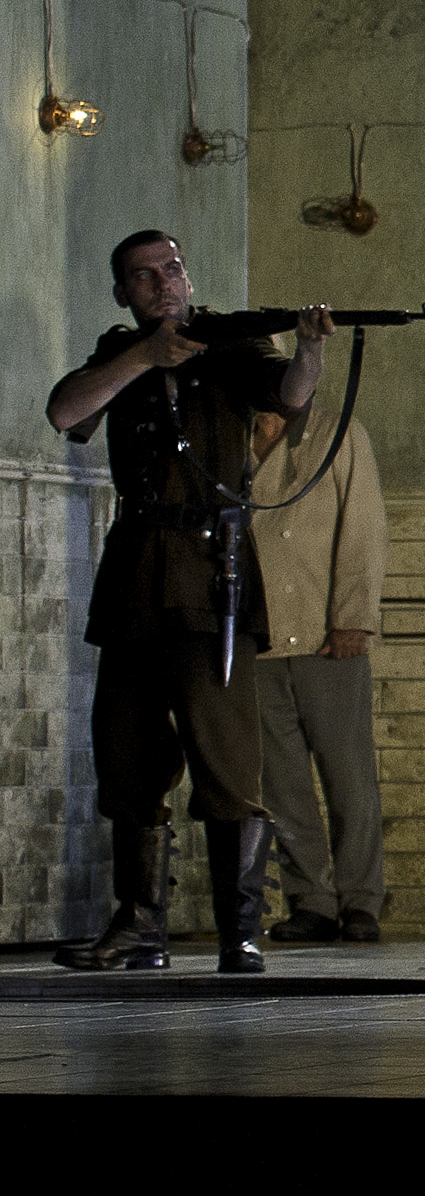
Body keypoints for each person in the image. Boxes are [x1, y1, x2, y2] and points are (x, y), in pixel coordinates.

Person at [44, 233, 330, 974]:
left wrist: (309, 350)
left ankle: (240, 930)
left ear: (187, 276)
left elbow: (287, 394)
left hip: (215, 577)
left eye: (169, 269)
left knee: (228, 759)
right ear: (124, 293)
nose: (160, 284)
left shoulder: (229, 346)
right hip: (138, 577)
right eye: (142, 276)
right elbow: (65, 412)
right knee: (128, 755)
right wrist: (144, 357)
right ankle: (139, 926)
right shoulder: (120, 353)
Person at [250, 399, 390, 944]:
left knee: (348, 775)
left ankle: (360, 901)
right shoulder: (227, 438)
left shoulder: (339, 433)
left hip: (325, 635)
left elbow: (363, 525)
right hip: (260, 637)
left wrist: (353, 617)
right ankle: (310, 900)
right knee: (281, 784)